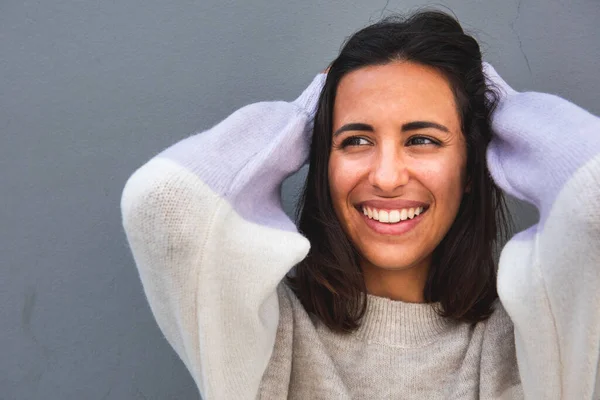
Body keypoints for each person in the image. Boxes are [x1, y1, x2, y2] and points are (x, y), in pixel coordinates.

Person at [120, 10, 600, 400]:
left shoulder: (532, 346)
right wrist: (312, 109)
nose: (387, 177)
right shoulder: (266, 338)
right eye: (355, 141)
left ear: (470, 163)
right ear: (322, 159)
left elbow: (593, 195)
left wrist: (493, 102)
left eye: (423, 139)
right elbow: (165, 203)